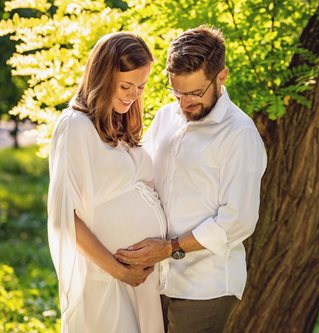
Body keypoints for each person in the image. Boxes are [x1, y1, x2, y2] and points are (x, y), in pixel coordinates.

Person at [115, 26, 267, 332]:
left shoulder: (239, 134)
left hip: (206, 286)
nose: (185, 103)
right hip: (154, 278)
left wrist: (169, 248)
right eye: (178, 91)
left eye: (196, 93)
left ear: (221, 76)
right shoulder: (165, 117)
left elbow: (237, 220)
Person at [47, 32, 166, 333]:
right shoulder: (75, 127)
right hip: (105, 278)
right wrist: (119, 271)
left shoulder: (120, 123)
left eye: (141, 87)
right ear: (103, 77)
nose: (133, 95)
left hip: (139, 281)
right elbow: (65, 219)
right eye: (126, 86)